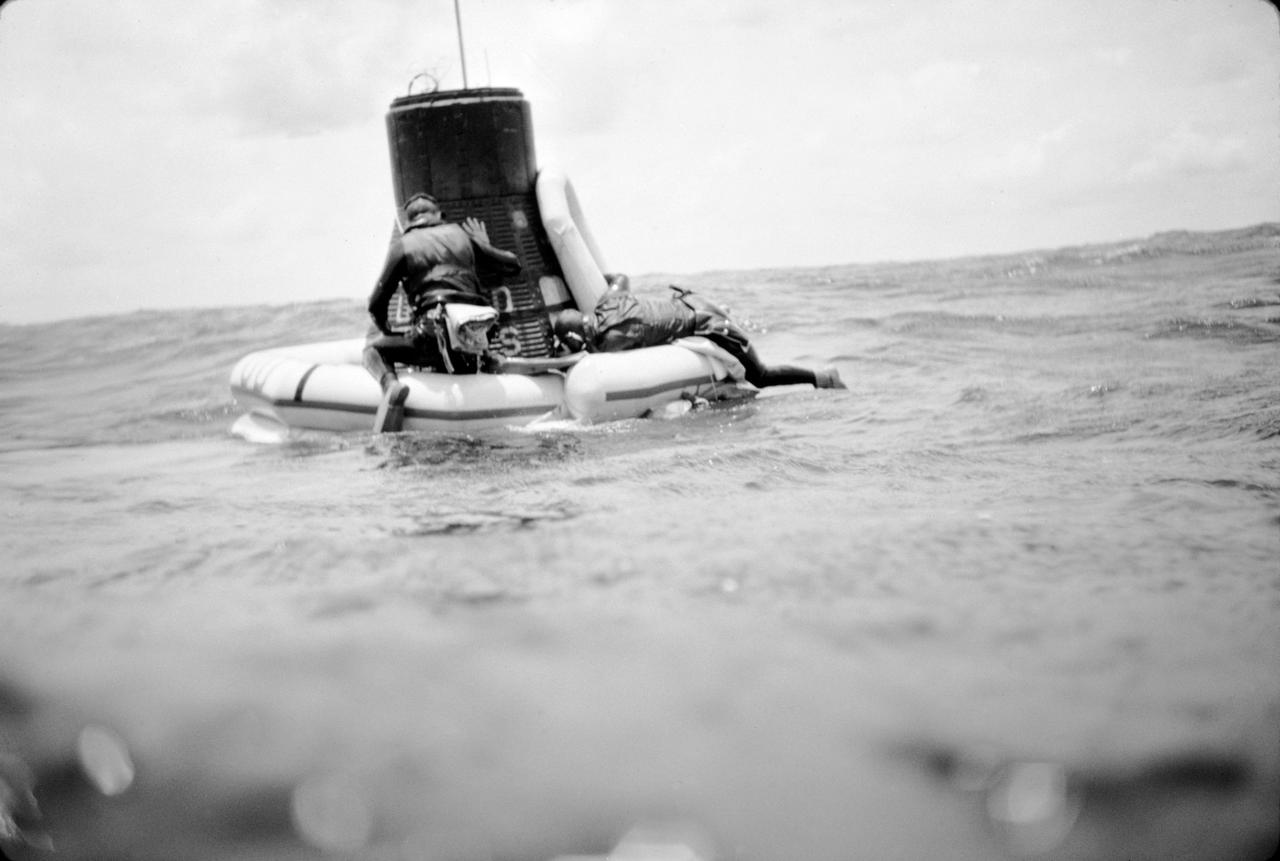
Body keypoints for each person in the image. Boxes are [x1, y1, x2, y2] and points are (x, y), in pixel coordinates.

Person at [363, 192, 522, 432]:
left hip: (433, 335)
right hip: (479, 331)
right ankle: (488, 357)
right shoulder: (461, 234)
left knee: (373, 349)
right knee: (467, 346)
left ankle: (391, 388)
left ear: (409, 222)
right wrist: (483, 245)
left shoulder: (403, 245)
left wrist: (388, 330)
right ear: (439, 216)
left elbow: (376, 303)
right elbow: (512, 264)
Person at [550, 284, 846, 390]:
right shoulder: (607, 302)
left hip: (708, 324)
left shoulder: (612, 341)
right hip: (692, 300)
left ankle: (821, 377)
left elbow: (590, 362)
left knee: (760, 376)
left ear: (577, 336)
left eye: (567, 342)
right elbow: (619, 280)